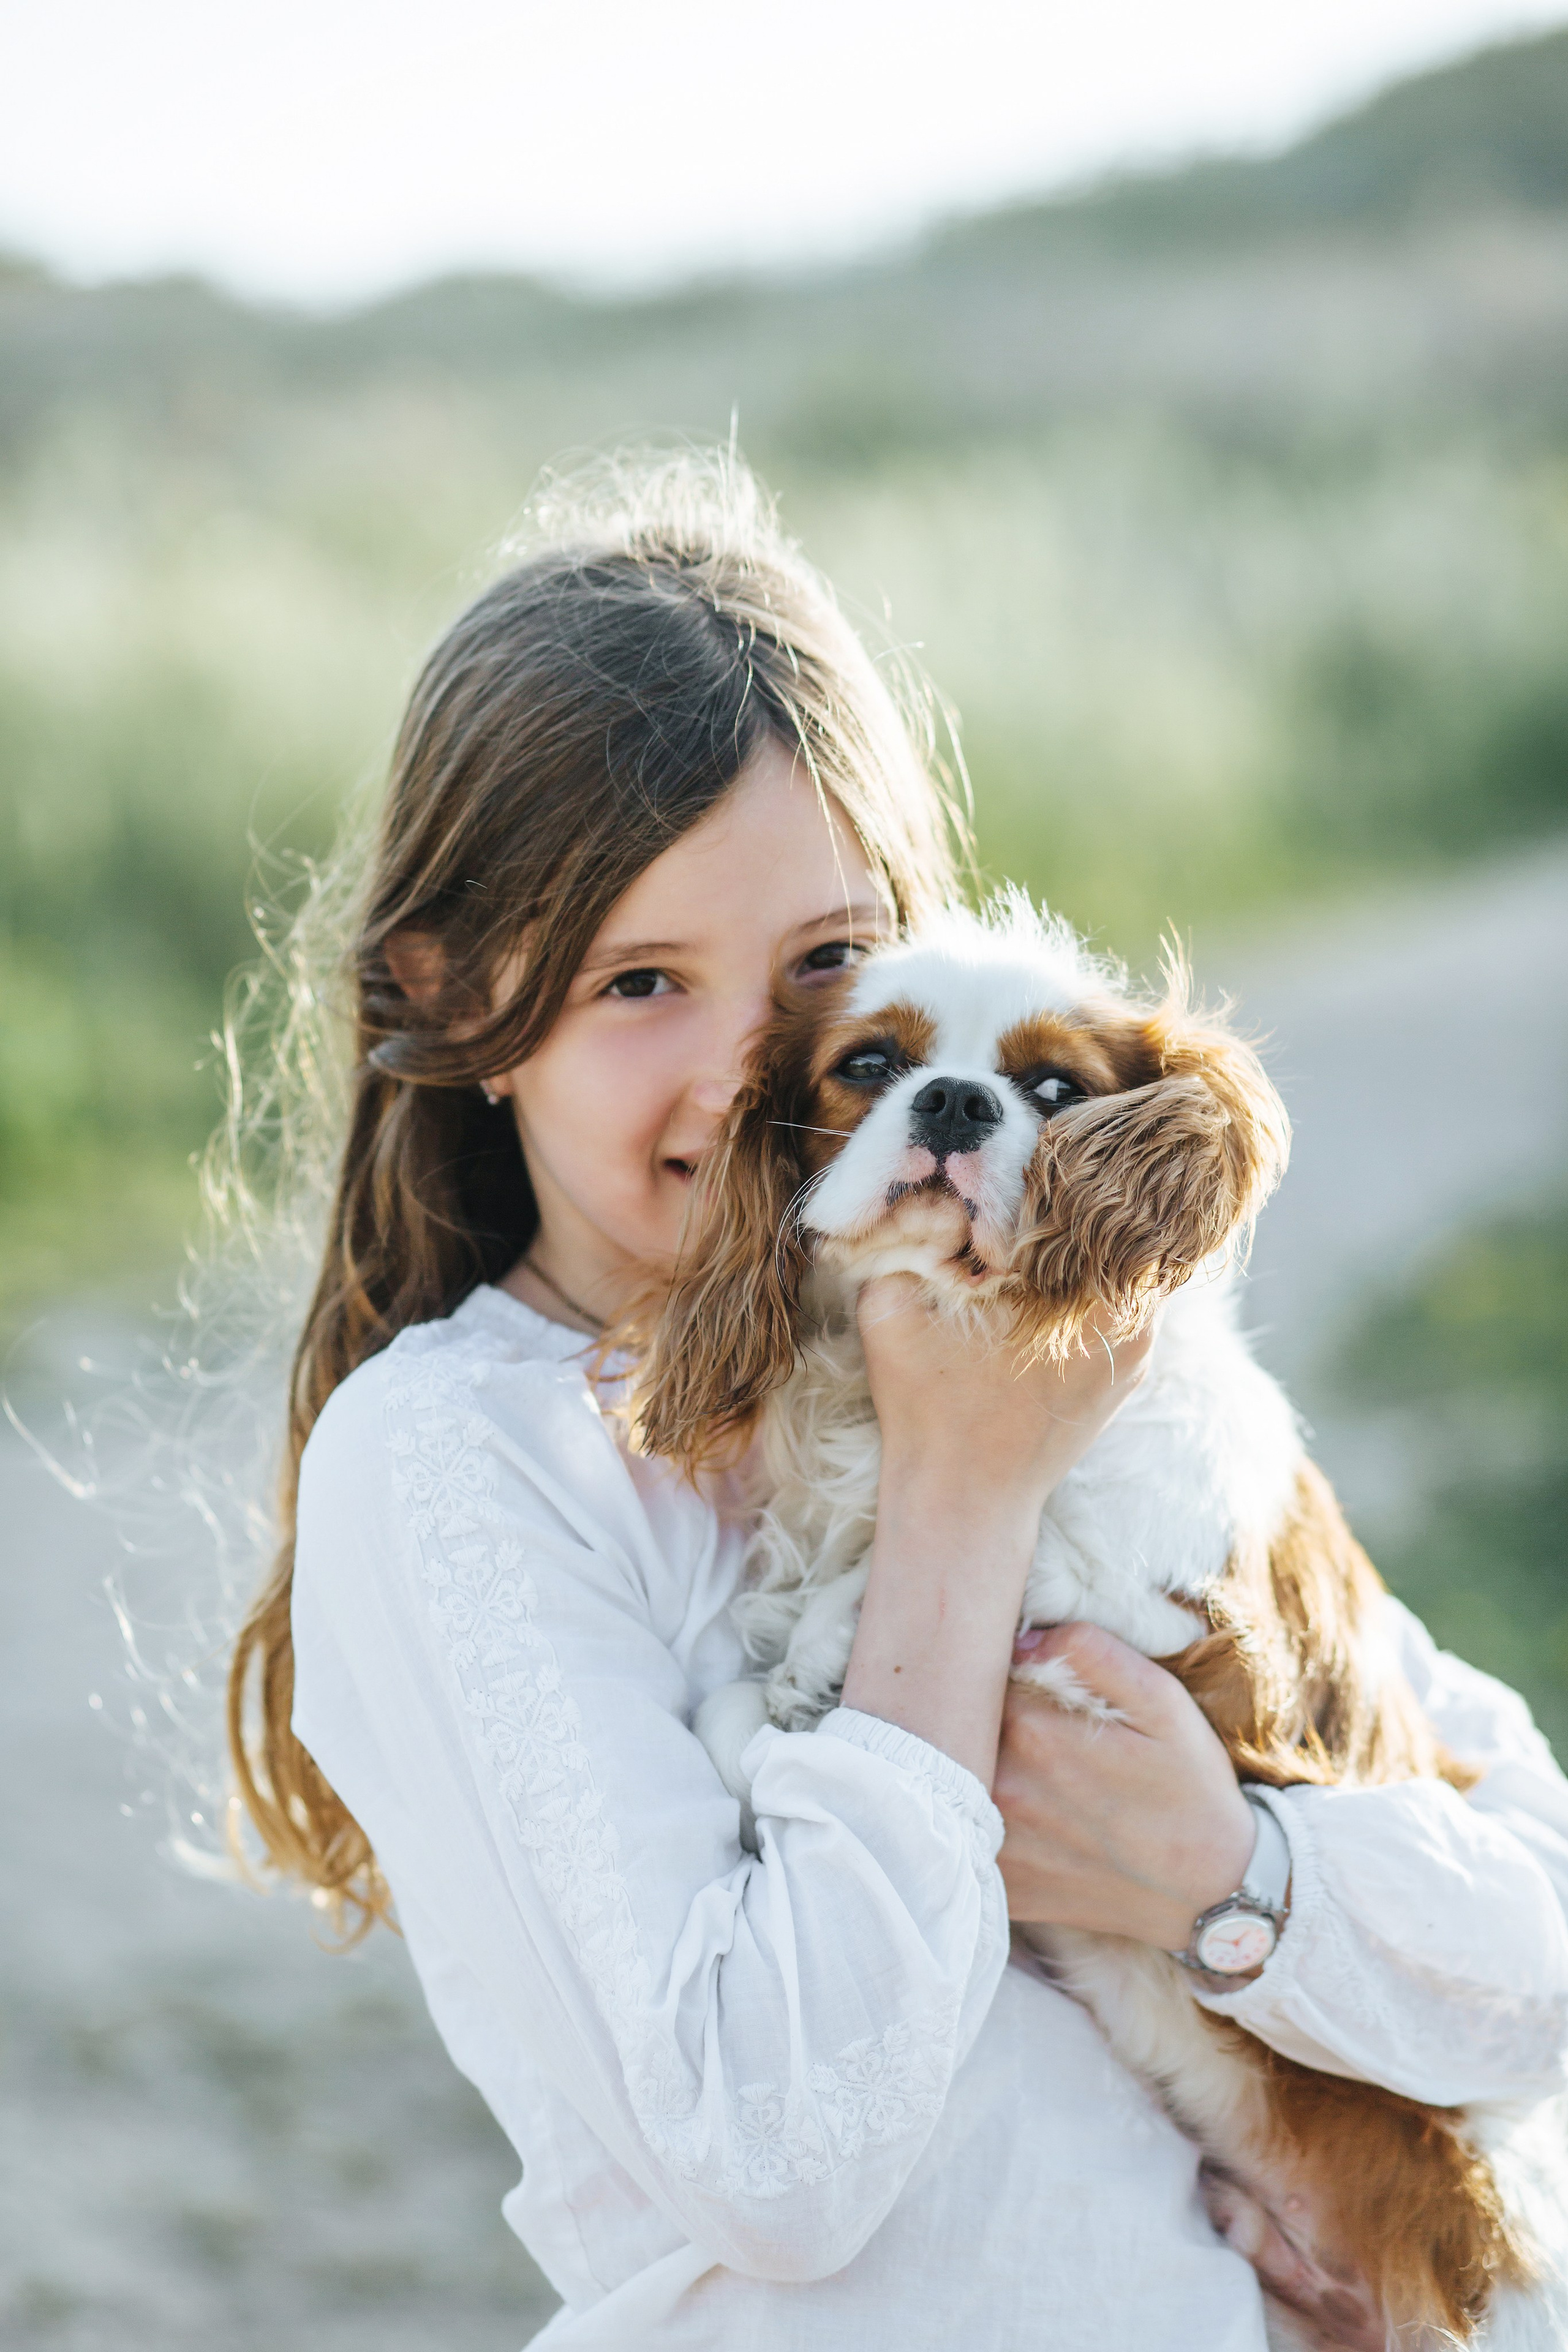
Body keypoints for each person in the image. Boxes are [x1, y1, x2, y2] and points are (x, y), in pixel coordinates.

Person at [228, 452, 1568, 2348]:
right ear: (456, 999)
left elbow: (1542, 1947)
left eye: (827, 970)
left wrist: (1235, 1880)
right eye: (640, 981)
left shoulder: (1086, 1379)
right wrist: (963, 1497)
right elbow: (782, 2158)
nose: (753, 1067)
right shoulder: (458, 1463)